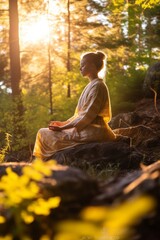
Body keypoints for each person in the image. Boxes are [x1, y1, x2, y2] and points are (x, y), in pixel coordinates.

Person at [33, 51, 116, 160]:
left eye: (83, 65)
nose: (80, 68)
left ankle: (42, 164)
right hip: (86, 128)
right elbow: (80, 115)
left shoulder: (98, 86)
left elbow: (87, 116)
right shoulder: (92, 85)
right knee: (44, 132)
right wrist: (64, 123)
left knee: (43, 133)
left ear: (92, 66)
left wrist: (63, 127)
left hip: (93, 130)